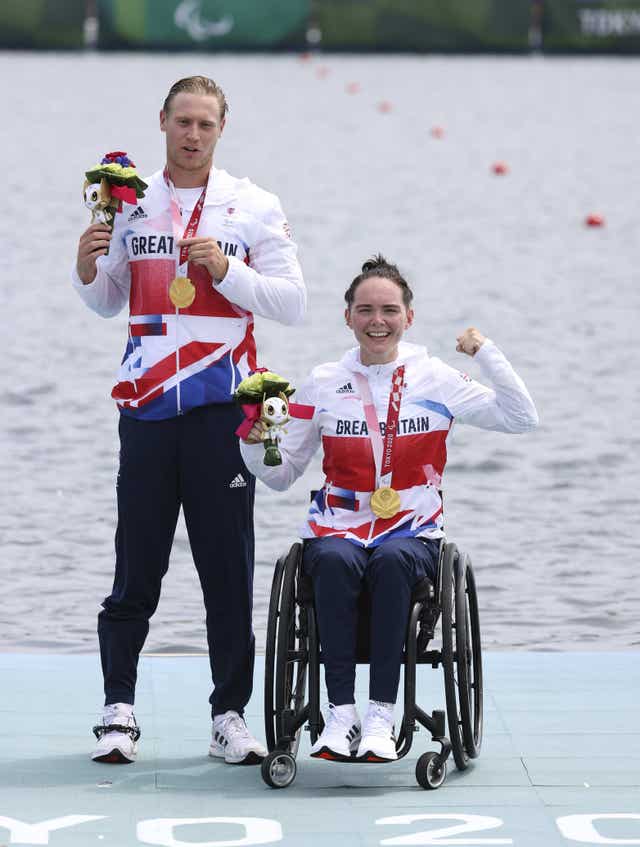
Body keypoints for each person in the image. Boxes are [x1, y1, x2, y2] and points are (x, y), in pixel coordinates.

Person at [73, 76, 306, 765]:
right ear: (163, 122)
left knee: (225, 572)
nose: (193, 135)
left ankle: (228, 715)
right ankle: (118, 710)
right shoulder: (131, 203)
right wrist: (86, 267)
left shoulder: (253, 204)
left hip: (222, 414)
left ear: (222, 128)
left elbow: (292, 302)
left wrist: (228, 269)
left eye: (205, 123)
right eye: (182, 122)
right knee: (134, 568)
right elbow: (109, 302)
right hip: (145, 410)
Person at [240, 255, 538, 762]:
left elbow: (521, 417)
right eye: (366, 310)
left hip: (412, 531)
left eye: (389, 310)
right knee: (332, 561)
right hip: (339, 526)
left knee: (394, 561)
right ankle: (340, 716)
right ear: (348, 317)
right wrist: (253, 440)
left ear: (408, 317)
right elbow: (282, 474)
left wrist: (485, 351)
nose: (377, 320)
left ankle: (381, 713)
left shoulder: (435, 378)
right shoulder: (322, 382)